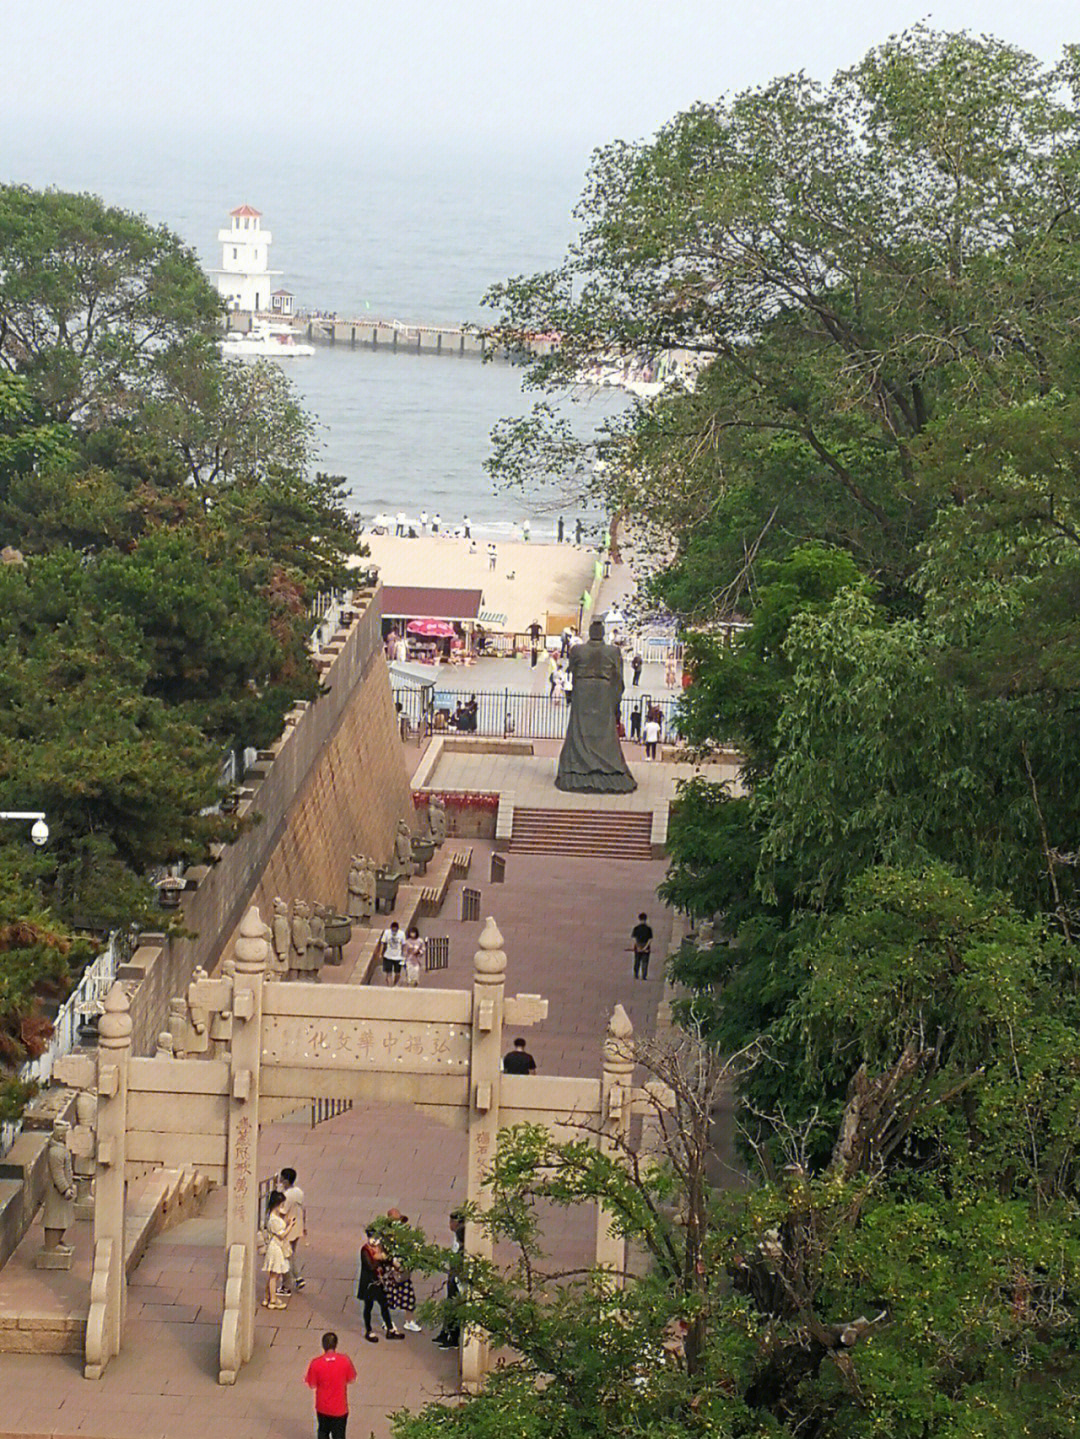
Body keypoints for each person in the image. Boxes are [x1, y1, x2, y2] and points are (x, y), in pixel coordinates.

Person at [305, 1332, 357, 1439]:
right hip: (339, 1408)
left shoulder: (316, 1363)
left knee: (323, 1431)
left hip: (322, 1407)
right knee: (339, 1435)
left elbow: (312, 1385)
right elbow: (351, 1379)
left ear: (323, 1345)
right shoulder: (344, 1360)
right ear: (336, 1344)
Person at [356, 1228, 403, 1342]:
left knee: (384, 1305)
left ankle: (390, 1329)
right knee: (368, 1306)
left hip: (379, 1282)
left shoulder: (380, 1248)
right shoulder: (365, 1250)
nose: (374, 1241)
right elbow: (370, 1266)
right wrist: (379, 1258)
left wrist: (394, 1263)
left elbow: (388, 1260)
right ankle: (369, 1330)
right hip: (369, 1283)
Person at [380, 1209, 421, 1332]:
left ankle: (409, 1321)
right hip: (390, 1271)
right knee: (388, 1296)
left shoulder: (405, 1233)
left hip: (402, 1270)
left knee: (409, 1295)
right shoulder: (385, 1235)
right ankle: (386, 1321)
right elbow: (383, 1253)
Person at [433, 1211, 465, 1349]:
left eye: (452, 1222)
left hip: (457, 1282)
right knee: (449, 1306)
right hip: (453, 1278)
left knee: (453, 1308)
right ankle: (444, 1332)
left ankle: (452, 1337)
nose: (450, 1225)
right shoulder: (456, 1238)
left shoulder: (462, 1245)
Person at [262, 1190, 291, 1309]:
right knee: (274, 1276)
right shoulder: (274, 1220)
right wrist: (290, 1225)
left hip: (275, 1247)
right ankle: (273, 1300)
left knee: (274, 1275)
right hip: (275, 1248)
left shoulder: (272, 1217)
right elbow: (282, 1235)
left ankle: (267, 1297)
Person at [280, 1166, 306, 1292]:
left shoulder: (287, 1195)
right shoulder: (299, 1192)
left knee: (286, 1256)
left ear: (285, 1180)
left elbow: (282, 1211)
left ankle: (290, 1282)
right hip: (298, 1226)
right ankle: (297, 1277)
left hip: (288, 1228)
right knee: (291, 1254)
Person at [631, 913, 654, 980]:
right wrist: (646, 947)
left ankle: (636, 974)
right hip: (646, 946)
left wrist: (637, 946)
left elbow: (634, 938)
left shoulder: (636, 928)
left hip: (638, 945)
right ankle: (644, 975)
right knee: (645, 962)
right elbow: (650, 939)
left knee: (637, 961)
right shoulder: (648, 929)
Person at [381, 921, 405, 985]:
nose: (394, 932)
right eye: (393, 930)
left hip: (398, 956)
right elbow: (383, 943)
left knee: (397, 973)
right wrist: (381, 953)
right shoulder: (387, 932)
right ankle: (389, 985)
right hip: (388, 956)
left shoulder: (402, 934)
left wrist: (403, 954)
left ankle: (394, 984)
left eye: (395, 931)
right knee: (389, 972)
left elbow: (403, 944)